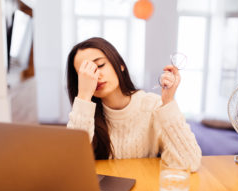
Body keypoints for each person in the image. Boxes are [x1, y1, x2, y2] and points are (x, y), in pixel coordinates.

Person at [66, 37, 201, 172]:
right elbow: (69, 166)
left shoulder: (152, 106)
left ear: (120, 65)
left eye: (100, 65)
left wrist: (168, 102)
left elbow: (190, 162)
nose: (96, 76)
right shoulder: (84, 113)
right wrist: (83, 97)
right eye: (85, 73)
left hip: (143, 189)